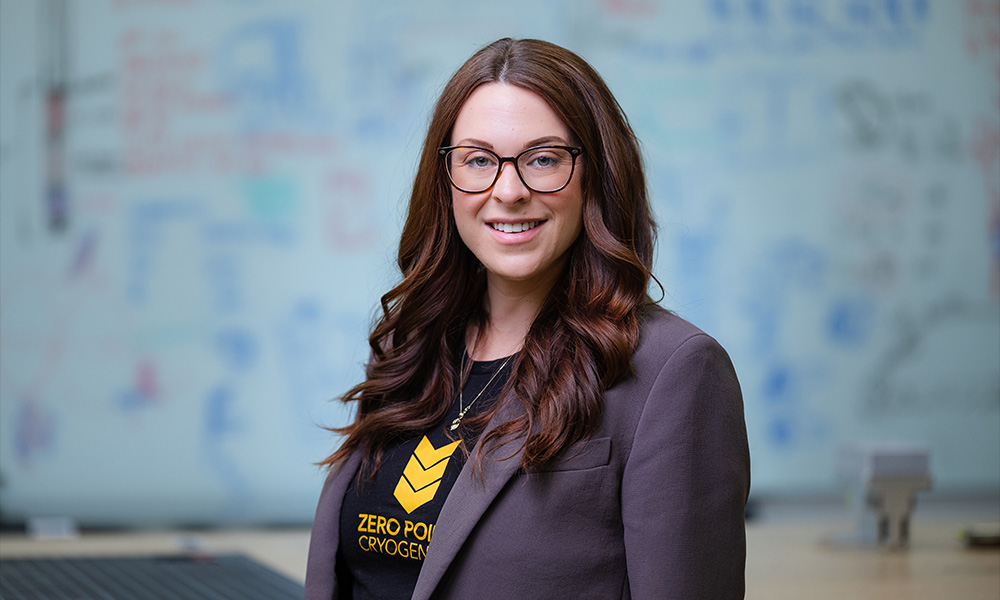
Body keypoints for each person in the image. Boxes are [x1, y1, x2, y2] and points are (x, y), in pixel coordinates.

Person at [305, 37, 750, 600]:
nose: (508, 191)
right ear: (445, 180)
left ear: (596, 174)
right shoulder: (407, 348)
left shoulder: (674, 371)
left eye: (543, 159)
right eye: (478, 160)